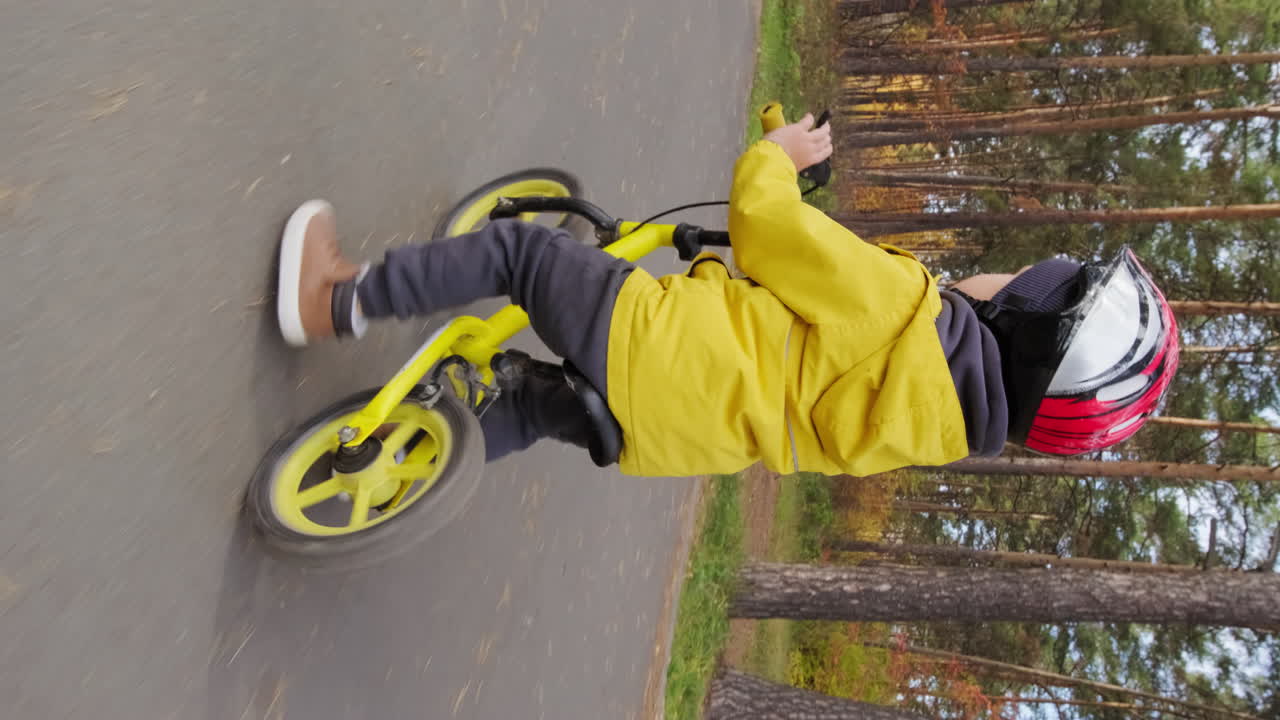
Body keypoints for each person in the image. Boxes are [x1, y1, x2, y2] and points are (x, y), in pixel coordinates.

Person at [275, 114, 1180, 477]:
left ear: (1012, 322)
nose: (996, 275)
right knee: (534, 402)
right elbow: (792, 369)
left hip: (654, 348)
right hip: (667, 435)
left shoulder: (910, 311)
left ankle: (337, 299)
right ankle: (423, 453)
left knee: (524, 254)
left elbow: (766, 228)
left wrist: (775, 157)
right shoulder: (930, 429)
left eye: (1019, 283)